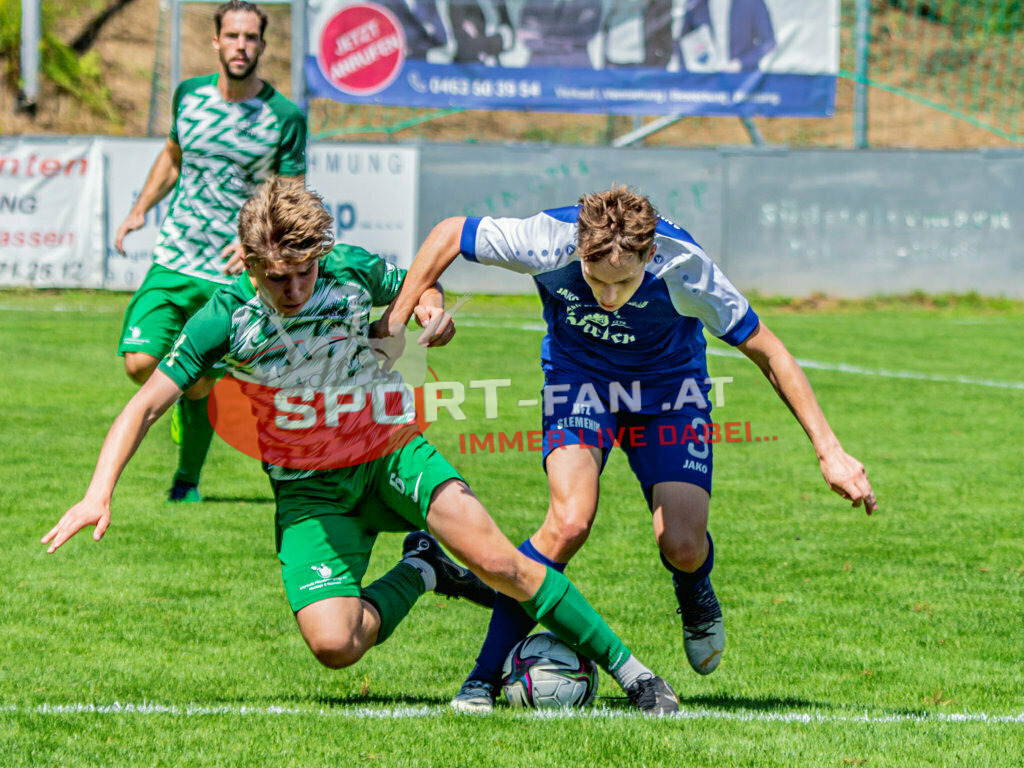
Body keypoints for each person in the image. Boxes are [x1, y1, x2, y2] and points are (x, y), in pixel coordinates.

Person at [42, 178, 680, 716]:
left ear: (320, 253)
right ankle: (425, 568)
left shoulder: (349, 268)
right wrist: (98, 492)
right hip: (309, 492)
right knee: (335, 644)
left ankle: (637, 676)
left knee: (500, 563)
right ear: (247, 259)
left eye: (303, 272)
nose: (292, 289)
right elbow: (145, 403)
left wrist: (430, 312)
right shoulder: (222, 317)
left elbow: (417, 285)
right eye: (275, 276)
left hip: (391, 455)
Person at [386, 185, 878, 712]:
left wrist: (830, 451)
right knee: (569, 521)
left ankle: (694, 590)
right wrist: (397, 321)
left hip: (671, 391)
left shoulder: (687, 268)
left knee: (682, 544)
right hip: (580, 382)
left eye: (623, 282)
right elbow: (448, 234)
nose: (608, 296)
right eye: (596, 279)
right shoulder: (546, 240)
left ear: (649, 254)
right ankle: (482, 679)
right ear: (578, 249)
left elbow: (771, 352)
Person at [114, 0, 307, 502]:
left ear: (262, 46)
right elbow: (173, 158)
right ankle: (182, 407)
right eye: (233, 35)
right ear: (216, 42)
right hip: (174, 255)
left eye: (251, 37)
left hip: (229, 273)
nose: (242, 45)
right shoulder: (189, 96)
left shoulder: (283, 116)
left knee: (198, 383)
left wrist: (253, 244)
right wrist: (139, 208)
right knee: (138, 362)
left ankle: (186, 481)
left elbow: (287, 194)